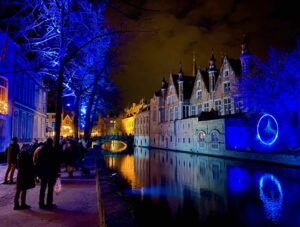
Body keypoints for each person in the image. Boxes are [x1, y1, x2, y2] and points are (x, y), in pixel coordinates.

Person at [35, 138, 60, 209]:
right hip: (51, 172)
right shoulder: (52, 150)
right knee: (50, 188)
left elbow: (38, 162)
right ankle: (49, 203)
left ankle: (41, 203)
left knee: (42, 188)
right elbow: (55, 162)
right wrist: (56, 172)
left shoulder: (42, 150)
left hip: (43, 172)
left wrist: (38, 172)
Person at [14, 144, 35, 210]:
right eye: (28, 147)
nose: (29, 148)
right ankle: (22, 204)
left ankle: (16, 204)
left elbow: (17, 166)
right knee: (24, 189)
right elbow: (30, 165)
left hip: (20, 173)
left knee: (18, 190)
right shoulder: (26, 155)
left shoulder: (19, 154)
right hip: (25, 174)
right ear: (25, 148)